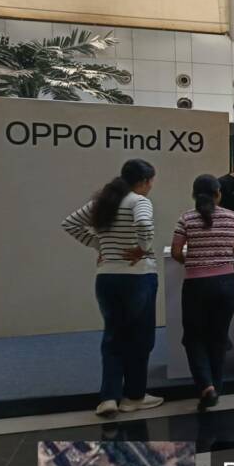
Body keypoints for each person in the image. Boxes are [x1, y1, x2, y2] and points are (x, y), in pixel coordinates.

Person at [62, 159, 162, 417]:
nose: (151, 186)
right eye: (151, 181)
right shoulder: (139, 201)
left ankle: (108, 397)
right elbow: (143, 224)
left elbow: (70, 223)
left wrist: (99, 245)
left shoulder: (105, 201)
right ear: (144, 181)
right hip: (137, 277)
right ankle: (134, 396)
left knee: (113, 337)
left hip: (106, 278)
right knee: (141, 338)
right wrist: (142, 248)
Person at [171, 175, 234, 411]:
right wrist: (225, 247)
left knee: (194, 337)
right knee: (219, 337)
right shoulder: (232, 216)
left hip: (196, 286)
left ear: (194, 195)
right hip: (225, 285)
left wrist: (191, 259)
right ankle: (217, 385)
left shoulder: (186, 218)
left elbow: (176, 252)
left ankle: (206, 386)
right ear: (218, 194)